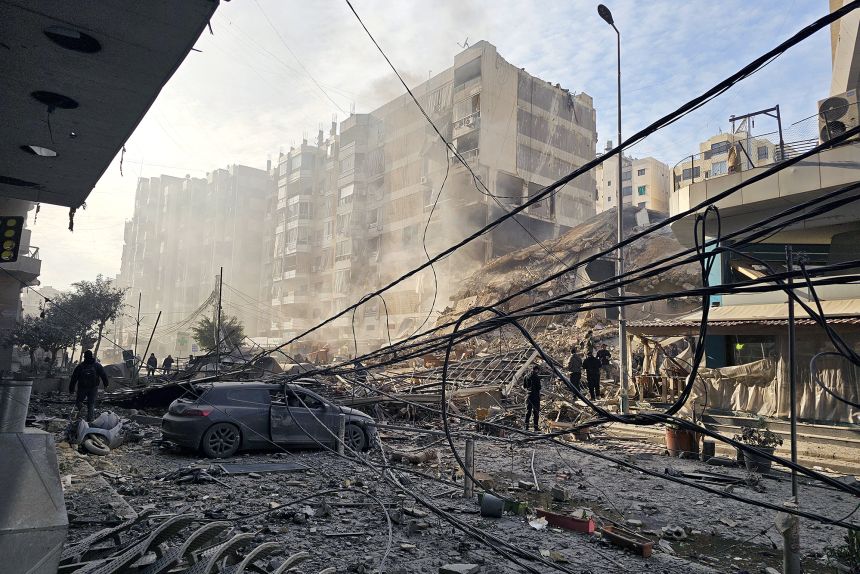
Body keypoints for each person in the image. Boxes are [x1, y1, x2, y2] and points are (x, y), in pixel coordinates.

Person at [69, 350, 109, 422]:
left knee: (79, 402)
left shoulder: (80, 366)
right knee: (91, 404)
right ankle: (90, 420)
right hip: (93, 388)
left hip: (82, 388)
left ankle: (81, 411)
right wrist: (106, 384)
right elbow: (103, 375)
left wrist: (71, 389)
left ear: (84, 357)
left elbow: (74, 378)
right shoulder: (97, 366)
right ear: (92, 356)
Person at [523, 364, 542, 432]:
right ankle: (536, 427)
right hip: (535, 396)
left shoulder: (526, 376)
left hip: (528, 396)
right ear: (536, 370)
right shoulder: (536, 377)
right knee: (536, 412)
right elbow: (539, 387)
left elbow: (524, 386)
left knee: (528, 411)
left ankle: (526, 427)